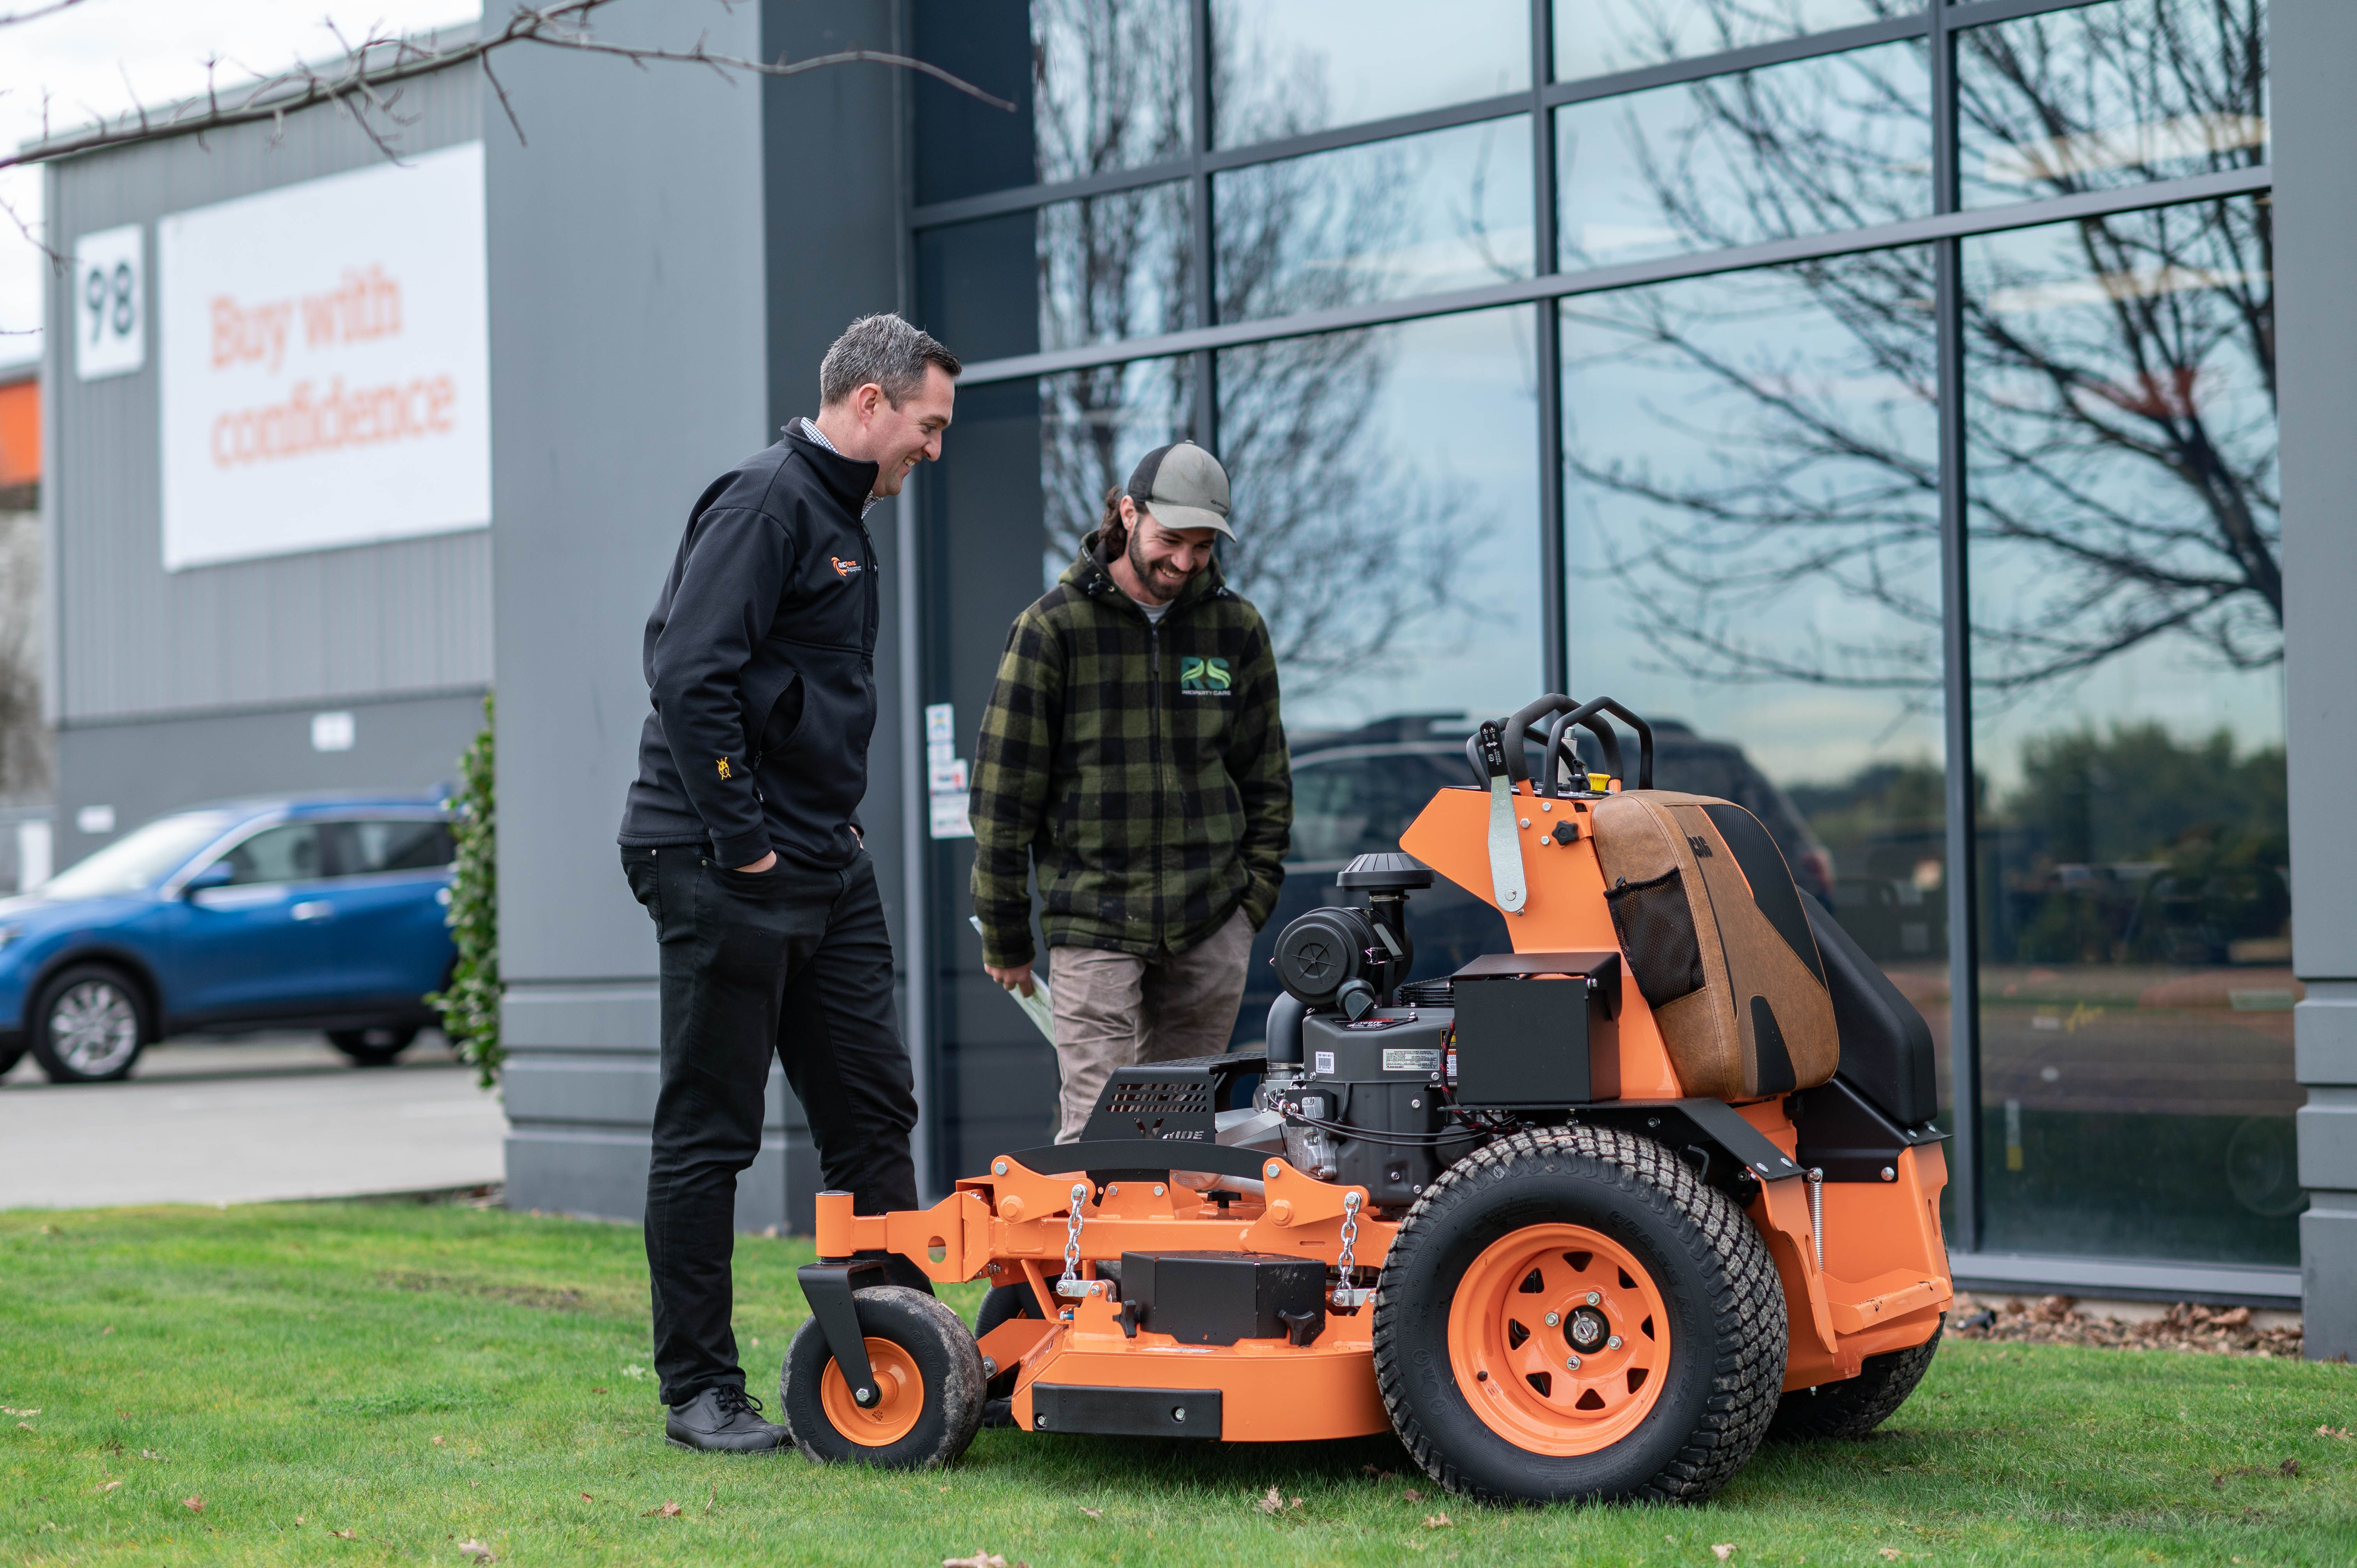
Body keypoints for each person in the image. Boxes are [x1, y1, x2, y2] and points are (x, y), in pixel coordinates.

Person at [617, 313, 959, 1454]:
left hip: (824, 860)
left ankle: (903, 1359)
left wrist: (813, 836)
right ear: (870, 403)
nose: (933, 448)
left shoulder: (841, 516)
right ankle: (700, 1393)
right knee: (711, 1131)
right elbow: (686, 673)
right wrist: (747, 842)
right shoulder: (769, 501)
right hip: (723, 860)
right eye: (927, 425)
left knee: (872, 1108)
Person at [969, 440, 1292, 1144]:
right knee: (1101, 1137)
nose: (1185, 561)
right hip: (1094, 919)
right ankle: (1092, 1224)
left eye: (1203, 546)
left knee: (1182, 1135)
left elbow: (1267, 780)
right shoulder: (1052, 629)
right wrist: (1005, 932)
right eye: (1171, 540)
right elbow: (1002, 797)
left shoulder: (1236, 629)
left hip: (1211, 919)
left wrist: (1250, 905)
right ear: (1127, 513)